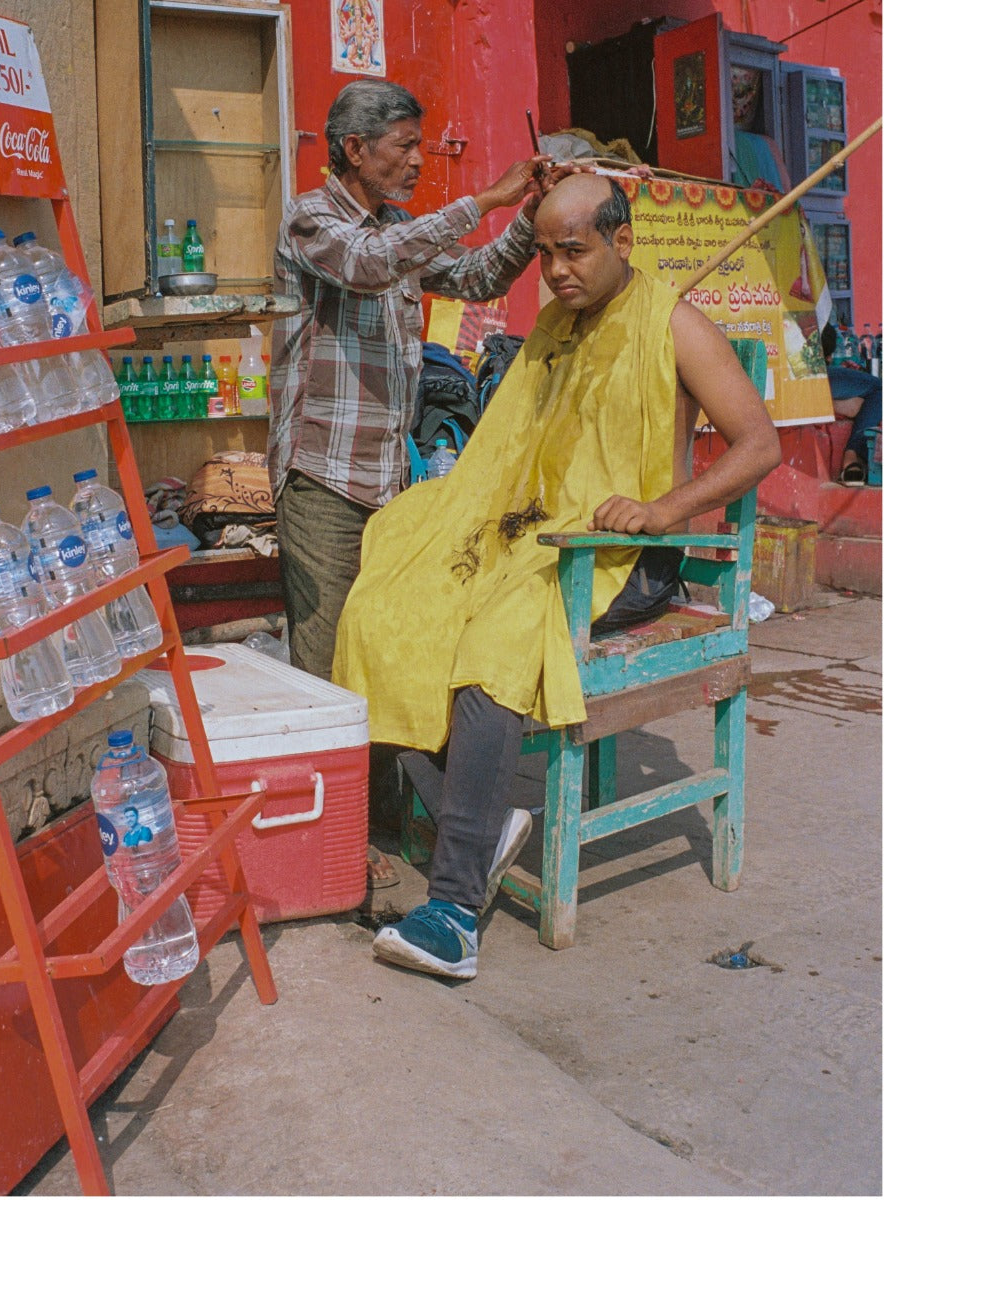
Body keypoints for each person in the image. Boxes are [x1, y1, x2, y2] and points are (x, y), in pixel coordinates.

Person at [333, 171, 782, 980]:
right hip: (536, 536)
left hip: (625, 560)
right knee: (391, 604)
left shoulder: (677, 325)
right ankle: (476, 812)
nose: (558, 271)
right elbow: (512, 451)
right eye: (545, 255)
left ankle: (455, 910)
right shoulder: (556, 326)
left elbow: (760, 444)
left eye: (573, 252)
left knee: (500, 640)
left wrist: (660, 508)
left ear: (623, 241)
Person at [267, 79, 556, 880]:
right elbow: (367, 264)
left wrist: (528, 214)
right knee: (328, 670)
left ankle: (381, 837)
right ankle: (337, 854)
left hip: (389, 486)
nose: (419, 162)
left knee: (390, 654)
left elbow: (480, 279)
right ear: (355, 150)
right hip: (322, 477)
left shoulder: (404, 230)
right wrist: (484, 197)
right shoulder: (312, 219)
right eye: (405, 146)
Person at [821, 323, 882, 485]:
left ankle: (831, 405)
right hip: (809, 374)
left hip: (798, 377)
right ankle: (852, 454)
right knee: (880, 389)